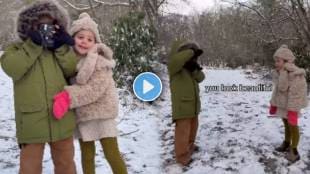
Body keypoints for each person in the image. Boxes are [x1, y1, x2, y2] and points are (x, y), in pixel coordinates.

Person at [0, 0, 78, 173]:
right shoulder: (16, 49)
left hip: (61, 117)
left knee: (66, 165)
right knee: (29, 168)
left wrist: (61, 48)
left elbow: (73, 69)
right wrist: (33, 45)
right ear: (28, 26)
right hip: (31, 120)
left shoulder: (61, 48)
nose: (45, 28)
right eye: (40, 25)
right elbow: (12, 68)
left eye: (50, 24)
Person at [52, 12, 128, 174]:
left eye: (89, 39)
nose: (84, 42)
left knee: (112, 153)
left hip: (102, 114)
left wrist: (68, 96)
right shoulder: (70, 61)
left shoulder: (100, 61)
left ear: (95, 42)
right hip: (83, 116)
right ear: (73, 38)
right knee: (87, 156)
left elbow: (95, 90)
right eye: (80, 37)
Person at [167, 40, 205, 166]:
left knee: (193, 129)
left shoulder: (190, 68)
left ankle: (190, 147)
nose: (194, 57)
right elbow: (176, 60)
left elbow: (201, 78)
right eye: (192, 55)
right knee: (182, 132)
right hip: (182, 105)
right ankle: (182, 157)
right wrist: (191, 51)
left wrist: (194, 68)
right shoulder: (175, 68)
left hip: (193, 105)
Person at [269, 44, 308, 163]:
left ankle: (294, 151)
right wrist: (274, 103)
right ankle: (286, 143)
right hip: (283, 104)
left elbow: (297, 93)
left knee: (293, 126)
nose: (276, 63)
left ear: (287, 60)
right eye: (275, 60)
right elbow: (278, 90)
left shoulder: (296, 74)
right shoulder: (280, 72)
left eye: (278, 60)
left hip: (291, 106)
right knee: (285, 123)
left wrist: (293, 109)